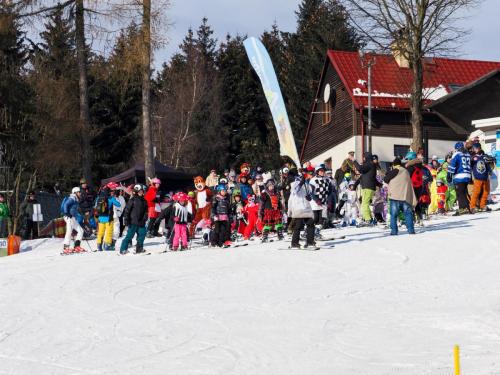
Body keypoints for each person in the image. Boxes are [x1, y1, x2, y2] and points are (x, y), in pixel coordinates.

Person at [383, 158, 417, 235]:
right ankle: (411, 230)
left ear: (394, 164)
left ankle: (394, 231)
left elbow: (386, 179)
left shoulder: (395, 170)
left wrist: (389, 172)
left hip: (395, 197)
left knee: (394, 215)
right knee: (408, 214)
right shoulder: (406, 171)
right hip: (405, 196)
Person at [287, 173, 315, 249]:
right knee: (298, 225)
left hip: (306, 207)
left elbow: (310, 193)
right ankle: (294, 243)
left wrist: (310, 197)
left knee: (311, 223)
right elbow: (295, 191)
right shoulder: (294, 184)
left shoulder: (307, 184)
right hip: (298, 208)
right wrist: (300, 183)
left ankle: (310, 242)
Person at [120, 184, 149, 254]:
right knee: (129, 236)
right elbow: (127, 210)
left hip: (141, 222)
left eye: (142, 191)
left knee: (142, 235)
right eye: (139, 191)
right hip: (132, 222)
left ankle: (139, 248)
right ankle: (123, 249)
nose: (141, 193)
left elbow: (146, 212)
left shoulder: (144, 201)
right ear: (136, 192)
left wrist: (144, 219)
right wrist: (126, 220)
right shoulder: (132, 200)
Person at [354, 152, 379, 224]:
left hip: (368, 187)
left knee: (365, 204)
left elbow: (359, 168)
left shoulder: (369, 164)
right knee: (364, 204)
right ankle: (368, 218)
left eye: (364, 157)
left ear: (366, 157)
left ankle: (368, 219)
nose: (363, 158)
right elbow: (367, 176)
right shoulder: (370, 165)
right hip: (366, 187)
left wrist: (354, 161)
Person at [95, 183, 121, 251]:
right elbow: (118, 205)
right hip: (109, 218)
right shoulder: (111, 198)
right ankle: (107, 246)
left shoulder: (99, 198)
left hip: (100, 218)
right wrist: (114, 199)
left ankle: (99, 246)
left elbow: (95, 206)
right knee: (109, 232)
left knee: (100, 232)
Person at [447, 142, 472, 215]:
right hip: (467, 175)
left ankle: (463, 208)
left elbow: (452, 164)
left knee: (459, 193)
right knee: (464, 192)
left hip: (459, 175)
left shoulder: (457, 154)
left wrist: (449, 175)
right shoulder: (467, 154)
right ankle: (467, 207)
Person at [308, 164, 331, 237]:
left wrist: (329, 200)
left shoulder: (327, 179)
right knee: (315, 218)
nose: (322, 172)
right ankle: (307, 232)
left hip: (323, 202)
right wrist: (317, 200)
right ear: (317, 172)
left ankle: (317, 232)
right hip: (315, 202)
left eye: (323, 171)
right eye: (321, 171)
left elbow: (330, 191)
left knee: (322, 219)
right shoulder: (313, 180)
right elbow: (311, 192)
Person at [61, 187, 85, 254]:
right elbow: (66, 205)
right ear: (75, 192)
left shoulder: (76, 199)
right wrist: (67, 213)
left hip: (72, 217)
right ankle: (66, 248)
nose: (80, 193)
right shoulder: (72, 198)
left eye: (80, 192)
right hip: (69, 217)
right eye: (79, 192)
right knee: (69, 231)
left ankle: (77, 246)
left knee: (80, 230)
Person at [469, 143, 491, 212]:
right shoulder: (473, 157)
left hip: (485, 177)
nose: (476, 149)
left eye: (477, 148)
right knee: (476, 192)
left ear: (479, 148)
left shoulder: (484, 156)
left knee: (486, 191)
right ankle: (472, 206)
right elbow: (470, 165)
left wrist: (489, 171)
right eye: (475, 148)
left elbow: (487, 165)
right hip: (477, 177)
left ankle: (483, 205)